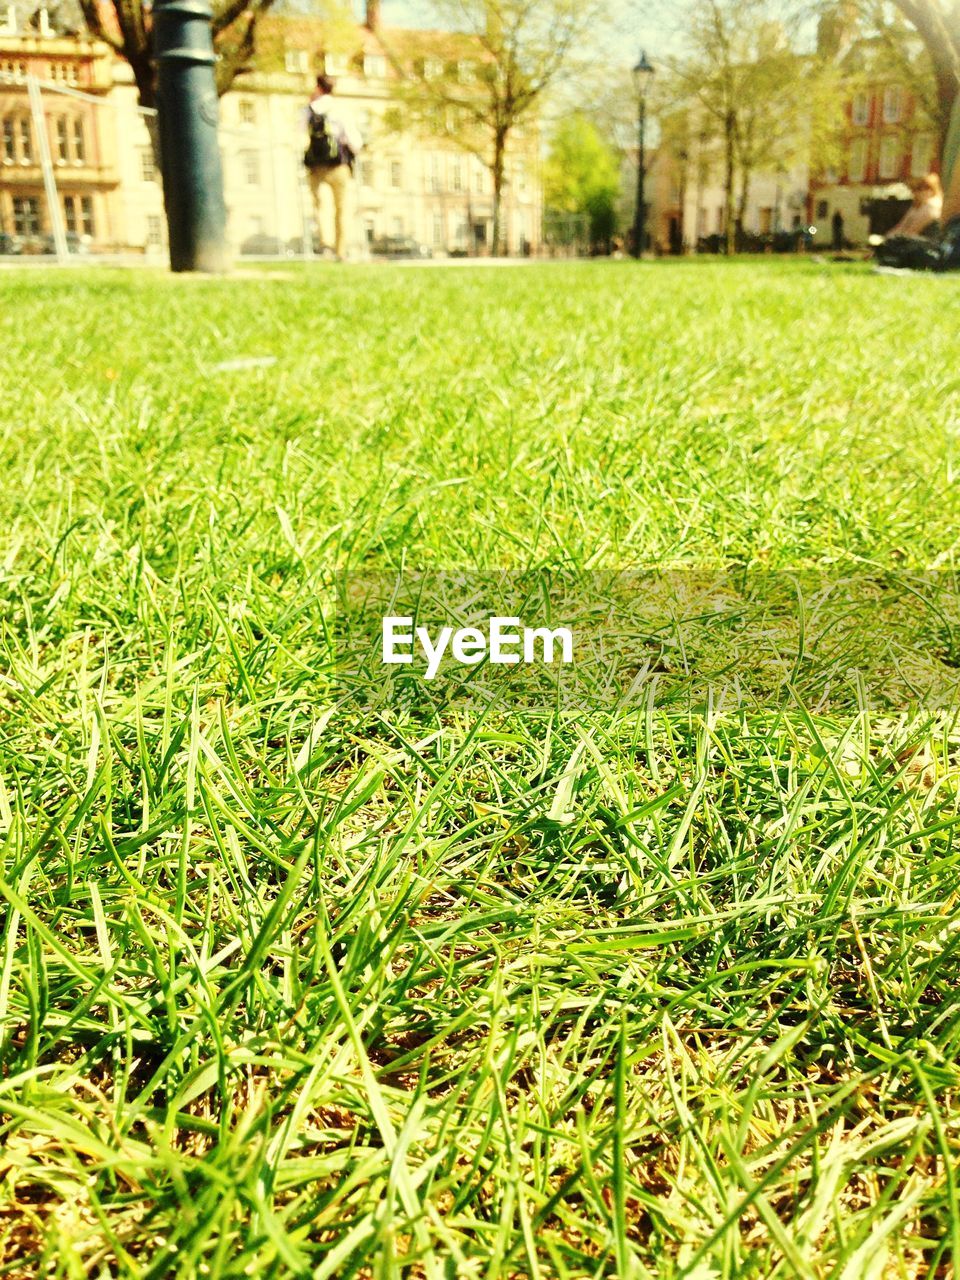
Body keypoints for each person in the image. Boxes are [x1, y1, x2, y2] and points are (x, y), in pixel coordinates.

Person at [303, 75, 363, 261]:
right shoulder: (340, 110)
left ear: (318, 87)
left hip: (316, 167)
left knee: (321, 207)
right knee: (342, 208)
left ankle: (326, 246)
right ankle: (341, 250)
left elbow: (298, 135)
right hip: (339, 165)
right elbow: (354, 141)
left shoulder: (308, 110)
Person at [885, 173, 943, 240]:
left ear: (930, 189)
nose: (914, 193)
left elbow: (912, 231)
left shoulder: (931, 206)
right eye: (913, 189)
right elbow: (901, 225)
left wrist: (891, 239)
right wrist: (887, 237)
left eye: (918, 189)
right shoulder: (918, 204)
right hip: (910, 240)